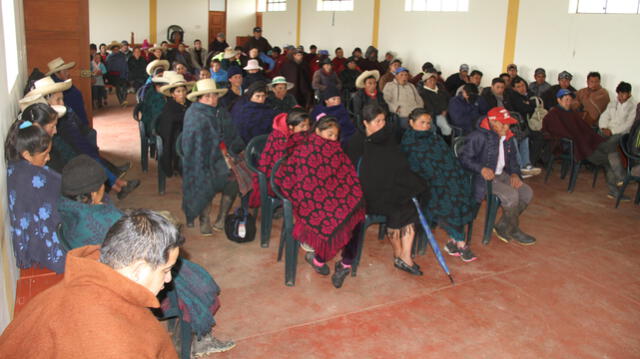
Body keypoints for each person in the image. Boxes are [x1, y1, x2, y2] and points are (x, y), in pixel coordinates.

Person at [56, 156, 235, 356]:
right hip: (130, 279)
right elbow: (137, 243)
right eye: (101, 187)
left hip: (105, 271)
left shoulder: (70, 212)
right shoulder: (99, 219)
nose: (104, 190)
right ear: (92, 192)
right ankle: (200, 339)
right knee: (199, 282)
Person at [0, 208, 227, 357]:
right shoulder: (115, 343)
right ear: (139, 270)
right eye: (166, 270)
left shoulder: (75, 287)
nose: (169, 280)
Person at [276, 116, 365, 288]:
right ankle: (319, 259)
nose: (332, 139)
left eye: (335, 136)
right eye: (329, 134)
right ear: (317, 131)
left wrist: (346, 195)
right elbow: (301, 181)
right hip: (313, 201)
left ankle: (345, 263)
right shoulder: (305, 151)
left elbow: (346, 176)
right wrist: (320, 199)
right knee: (329, 219)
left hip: (335, 196)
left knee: (356, 212)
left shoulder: (337, 151)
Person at [347, 104, 427, 275]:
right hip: (367, 194)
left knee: (407, 207)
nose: (382, 125)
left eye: (383, 120)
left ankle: (404, 256)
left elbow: (397, 163)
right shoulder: (356, 142)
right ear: (365, 123)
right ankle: (400, 255)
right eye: (377, 121)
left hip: (389, 187)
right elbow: (353, 174)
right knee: (398, 207)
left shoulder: (387, 137)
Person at [400, 108, 477, 261]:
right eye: (421, 123)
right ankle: (460, 242)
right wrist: (436, 177)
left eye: (428, 123)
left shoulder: (434, 138)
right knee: (448, 198)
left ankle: (453, 241)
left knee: (461, 189)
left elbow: (447, 158)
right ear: (411, 122)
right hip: (426, 183)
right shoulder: (409, 142)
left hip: (444, 177)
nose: (425, 126)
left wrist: (453, 175)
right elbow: (415, 166)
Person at [460, 107, 536, 245]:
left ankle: (504, 225)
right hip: (483, 179)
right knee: (512, 195)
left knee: (526, 192)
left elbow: (513, 160)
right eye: (503, 124)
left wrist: (514, 174)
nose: (507, 127)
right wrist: (481, 168)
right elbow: (464, 159)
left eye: (508, 124)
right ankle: (513, 229)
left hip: (501, 174)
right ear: (492, 122)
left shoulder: (507, 137)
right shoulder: (478, 136)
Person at [182, 79, 244, 234]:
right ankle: (204, 219)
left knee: (234, 180)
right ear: (198, 98)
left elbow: (232, 134)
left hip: (223, 156)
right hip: (201, 158)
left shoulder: (221, 111)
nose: (212, 100)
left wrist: (230, 151)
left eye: (214, 96)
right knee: (206, 180)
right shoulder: (194, 114)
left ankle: (222, 217)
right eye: (206, 97)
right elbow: (191, 145)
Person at [4, 120, 66, 273]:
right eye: (45, 154)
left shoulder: (16, 169)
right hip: (49, 250)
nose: (48, 158)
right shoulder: (32, 180)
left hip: (34, 245)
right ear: (27, 155)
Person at [542, 89, 624, 199]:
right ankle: (618, 183)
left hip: (584, 143)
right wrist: (579, 138)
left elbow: (584, 128)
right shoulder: (553, 114)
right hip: (572, 147)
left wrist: (587, 137)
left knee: (611, 148)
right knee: (609, 156)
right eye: (566, 100)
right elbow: (557, 132)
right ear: (559, 100)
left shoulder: (572, 112)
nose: (568, 102)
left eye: (570, 100)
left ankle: (618, 181)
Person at [248, 110, 310, 208]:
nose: (306, 128)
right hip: (275, 172)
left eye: (308, 125)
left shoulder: (302, 135)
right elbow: (279, 160)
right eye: (302, 126)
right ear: (291, 127)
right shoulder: (279, 137)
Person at [156, 72, 193, 177]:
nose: (182, 94)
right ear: (173, 94)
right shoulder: (169, 107)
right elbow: (168, 127)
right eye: (178, 91)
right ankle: (180, 165)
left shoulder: (189, 103)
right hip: (174, 137)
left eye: (183, 90)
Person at [509, 77, 543, 176]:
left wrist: (529, 104)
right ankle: (520, 166)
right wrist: (529, 105)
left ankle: (528, 164)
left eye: (523, 85)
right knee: (523, 137)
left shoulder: (530, 94)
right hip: (518, 126)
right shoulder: (514, 97)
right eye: (518, 87)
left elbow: (536, 105)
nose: (522, 88)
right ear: (514, 89)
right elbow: (523, 108)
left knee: (538, 137)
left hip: (529, 125)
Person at [46, 57, 89, 127]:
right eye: (65, 72)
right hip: (73, 122)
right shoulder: (60, 86)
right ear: (57, 73)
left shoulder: (61, 83)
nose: (68, 74)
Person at [418, 72, 451, 136]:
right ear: (425, 82)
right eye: (430, 81)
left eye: (434, 80)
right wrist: (441, 112)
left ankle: (447, 142)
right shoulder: (423, 93)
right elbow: (429, 107)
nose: (433, 82)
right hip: (434, 115)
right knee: (447, 128)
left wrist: (446, 109)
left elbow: (449, 100)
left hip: (446, 112)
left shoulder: (441, 90)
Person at [105, 41, 130, 106]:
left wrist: (126, 74)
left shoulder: (122, 55)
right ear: (112, 50)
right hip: (113, 76)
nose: (116, 50)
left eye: (117, 49)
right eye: (114, 49)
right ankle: (121, 101)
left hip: (122, 75)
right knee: (118, 85)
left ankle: (124, 100)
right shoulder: (109, 57)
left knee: (125, 84)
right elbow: (108, 69)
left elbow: (125, 66)